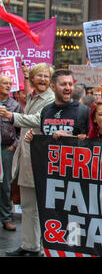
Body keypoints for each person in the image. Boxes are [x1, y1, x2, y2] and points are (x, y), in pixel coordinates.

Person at [0, 63, 55, 257]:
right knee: (28, 206)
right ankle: (28, 245)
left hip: (38, 157)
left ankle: (37, 246)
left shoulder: (50, 99)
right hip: (25, 156)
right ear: (32, 79)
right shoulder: (32, 96)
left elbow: (39, 120)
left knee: (37, 207)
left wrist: (11, 116)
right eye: (38, 76)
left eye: (46, 76)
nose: (42, 79)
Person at [0, 75, 23, 231]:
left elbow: (21, 129)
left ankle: (6, 217)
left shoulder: (15, 105)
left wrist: (13, 146)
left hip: (6, 149)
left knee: (5, 184)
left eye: (10, 83)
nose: (8, 86)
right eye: (4, 83)